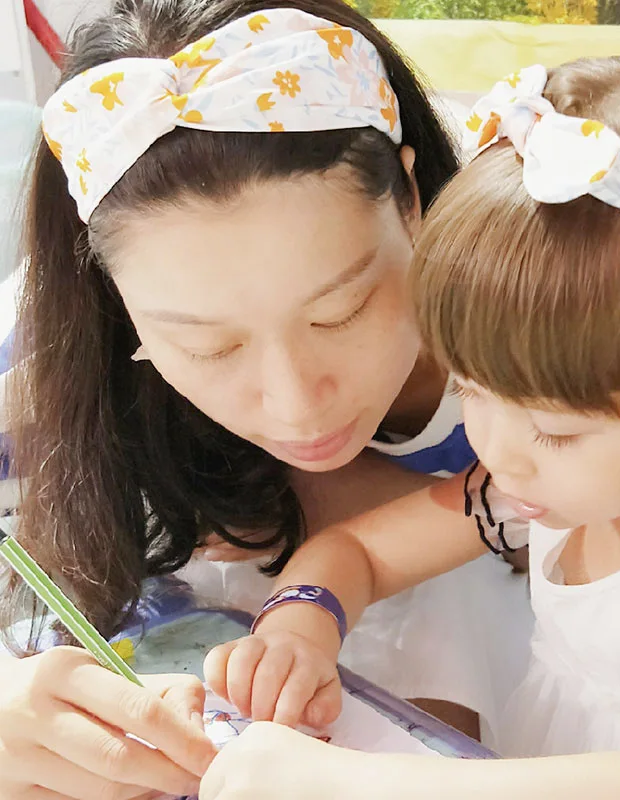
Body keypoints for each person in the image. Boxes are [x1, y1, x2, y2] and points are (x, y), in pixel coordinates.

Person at [202, 56, 620, 798]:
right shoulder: (533, 487)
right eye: (470, 389)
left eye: (557, 431)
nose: (501, 454)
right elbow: (357, 551)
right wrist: (296, 631)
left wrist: (351, 782)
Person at [0, 1, 532, 797]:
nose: (295, 408)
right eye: (208, 347)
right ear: (115, 301)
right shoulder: (61, 329)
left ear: (412, 199)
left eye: (340, 312)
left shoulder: (556, 296)